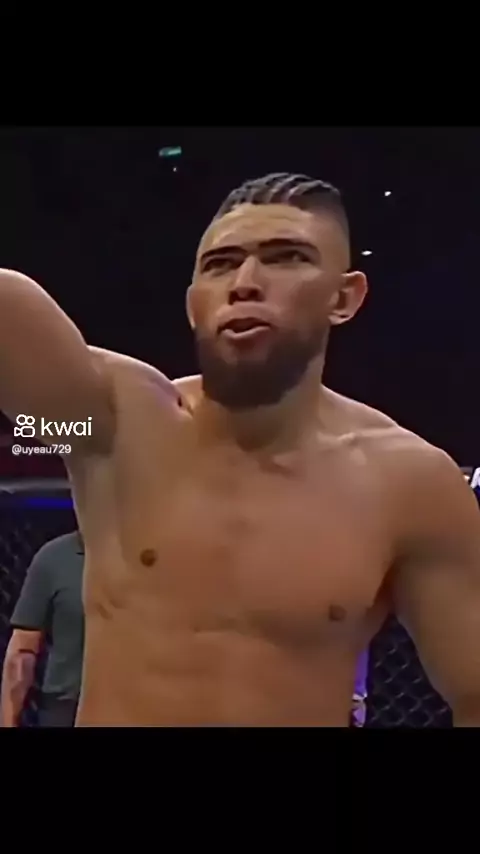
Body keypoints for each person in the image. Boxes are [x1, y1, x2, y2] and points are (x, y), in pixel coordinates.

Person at [1, 171, 480, 727]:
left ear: (344, 298)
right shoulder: (108, 430)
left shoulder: (408, 485)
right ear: (193, 305)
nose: (246, 282)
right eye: (220, 264)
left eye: (287, 257)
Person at [0, 531, 84, 727]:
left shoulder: (148, 558)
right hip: (66, 707)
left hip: (137, 703)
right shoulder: (55, 557)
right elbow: (22, 652)